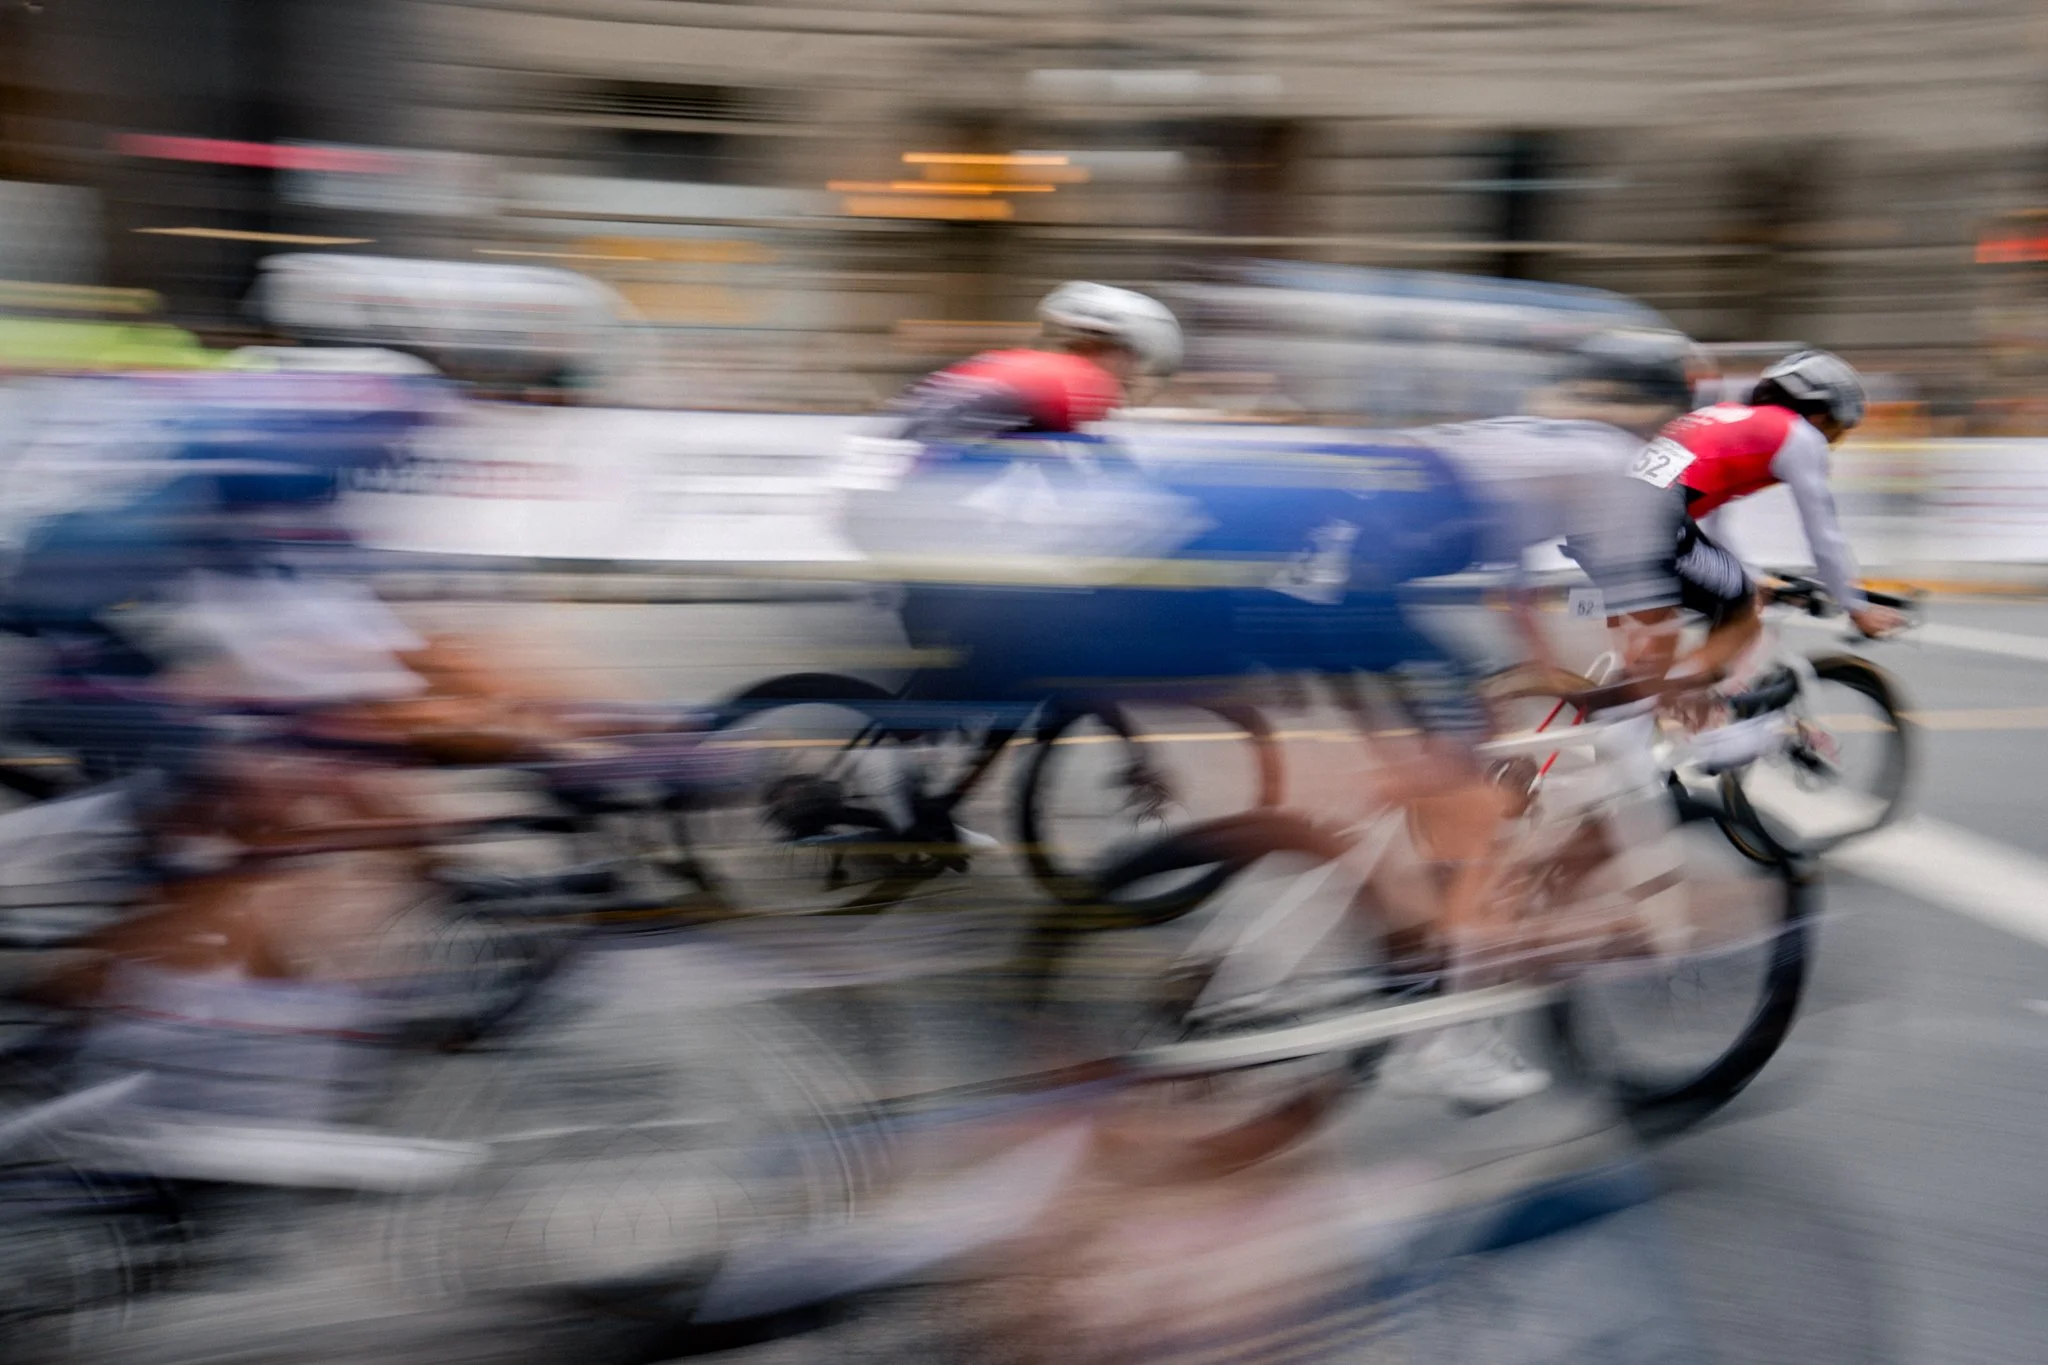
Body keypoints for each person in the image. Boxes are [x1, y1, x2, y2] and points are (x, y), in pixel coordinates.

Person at [1607, 349, 1905, 686]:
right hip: (1651, 528)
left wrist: (1747, 574)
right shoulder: (1800, 435)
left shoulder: (1722, 416)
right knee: (1743, 615)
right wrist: (1856, 607)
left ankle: (1631, 713)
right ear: (1821, 412)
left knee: (1672, 635)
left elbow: (1710, 520)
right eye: (1838, 426)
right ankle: (1670, 699)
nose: (1834, 439)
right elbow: (1823, 535)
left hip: (1610, 523)